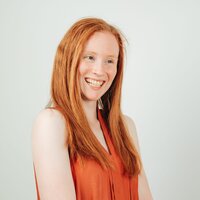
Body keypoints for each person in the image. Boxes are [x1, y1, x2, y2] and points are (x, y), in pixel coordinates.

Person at [32, 17, 153, 200]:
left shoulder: (126, 127)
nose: (100, 70)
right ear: (69, 60)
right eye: (90, 57)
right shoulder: (51, 123)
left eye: (110, 61)